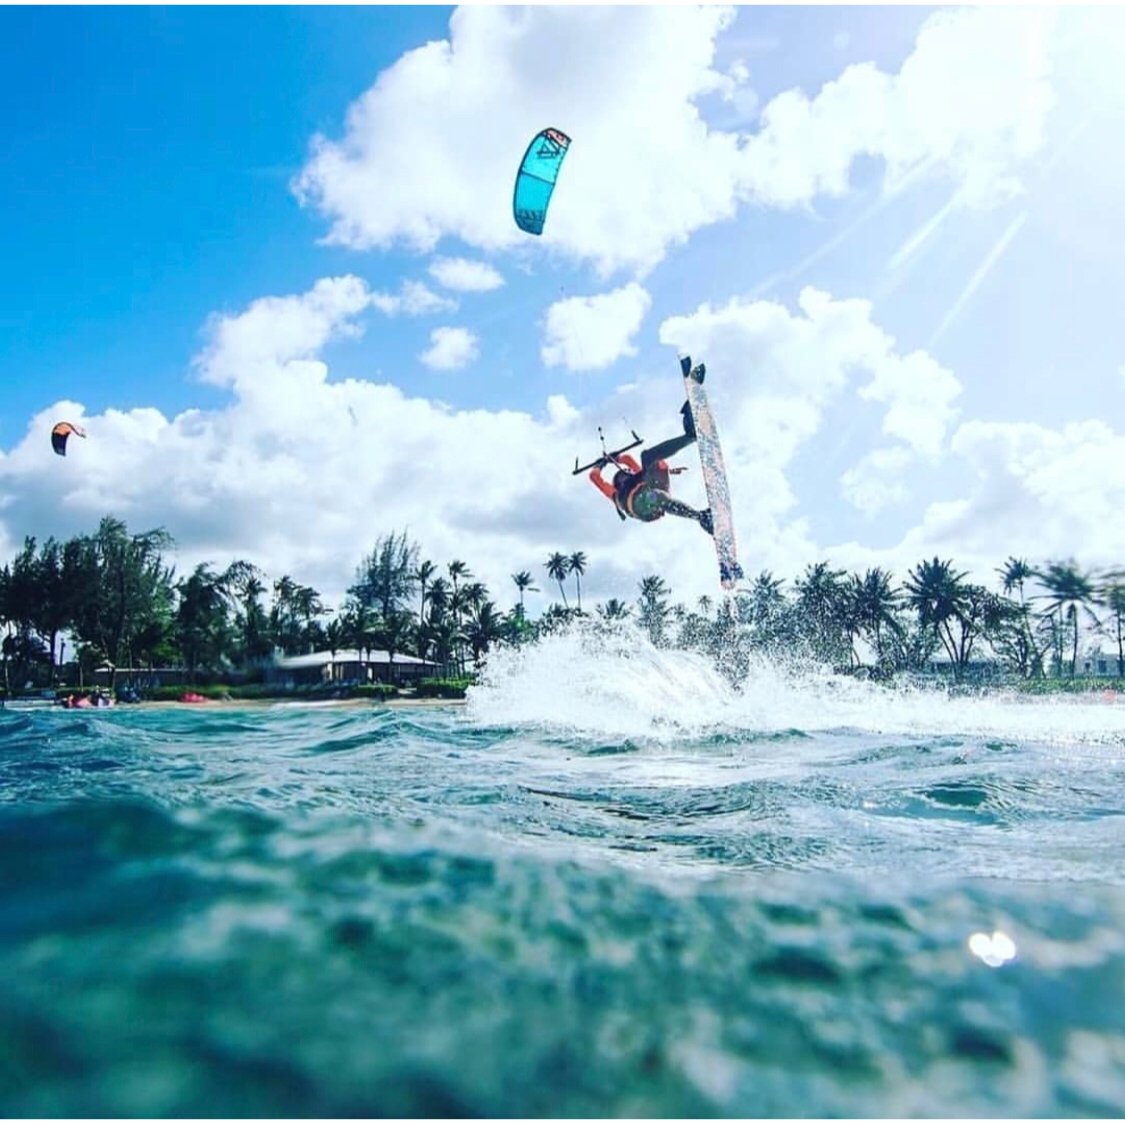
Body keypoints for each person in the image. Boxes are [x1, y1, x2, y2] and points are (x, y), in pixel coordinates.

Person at [589, 397, 713, 534]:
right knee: (651, 496)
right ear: (617, 483)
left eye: (626, 471)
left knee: (647, 457)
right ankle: (701, 517)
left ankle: (691, 436)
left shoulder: (638, 476)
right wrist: (600, 465)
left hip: (656, 492)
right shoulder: (615, 494)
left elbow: (628, 459)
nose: (627, 473)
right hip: (643, 507)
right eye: (621, 476)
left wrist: (615, 458)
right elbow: (594, 477)